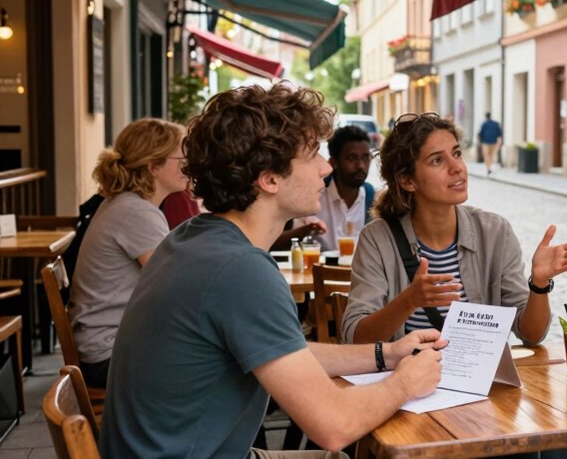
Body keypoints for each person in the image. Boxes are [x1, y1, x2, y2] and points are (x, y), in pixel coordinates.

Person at [99, 85, 445, 458]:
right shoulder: (240, 270)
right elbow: (334, 425)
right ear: (269, 179)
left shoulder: (194, 238)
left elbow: (287, 353)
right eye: (313, 154)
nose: (326, 168)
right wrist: (405, 383)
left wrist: (386, 354)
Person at [342, 112, 567, 459]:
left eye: (457, 153)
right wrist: (409, 300)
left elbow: (530, 335)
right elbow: (355, 337)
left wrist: (538, 283)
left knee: (549, 441)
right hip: (410, 396)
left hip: (480, 392)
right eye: (437, 160)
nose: (457, 168)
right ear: (408, 181)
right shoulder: (378, 239)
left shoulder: (494, 231)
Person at [67, 118, 188, 388]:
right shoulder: (136, 212)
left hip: (109, 344)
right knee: (222, 368)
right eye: (180, 157)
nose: (187, 164)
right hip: (111, 354)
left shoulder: (124, 204)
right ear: (153, 165)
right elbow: (174, 286)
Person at [293, 125, 376, 251]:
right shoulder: (315, 196)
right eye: (352, 158)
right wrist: (307, 230)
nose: (360, 165)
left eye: (365, 157)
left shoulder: (373, 199)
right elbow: (279, 241)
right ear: (333, 163)